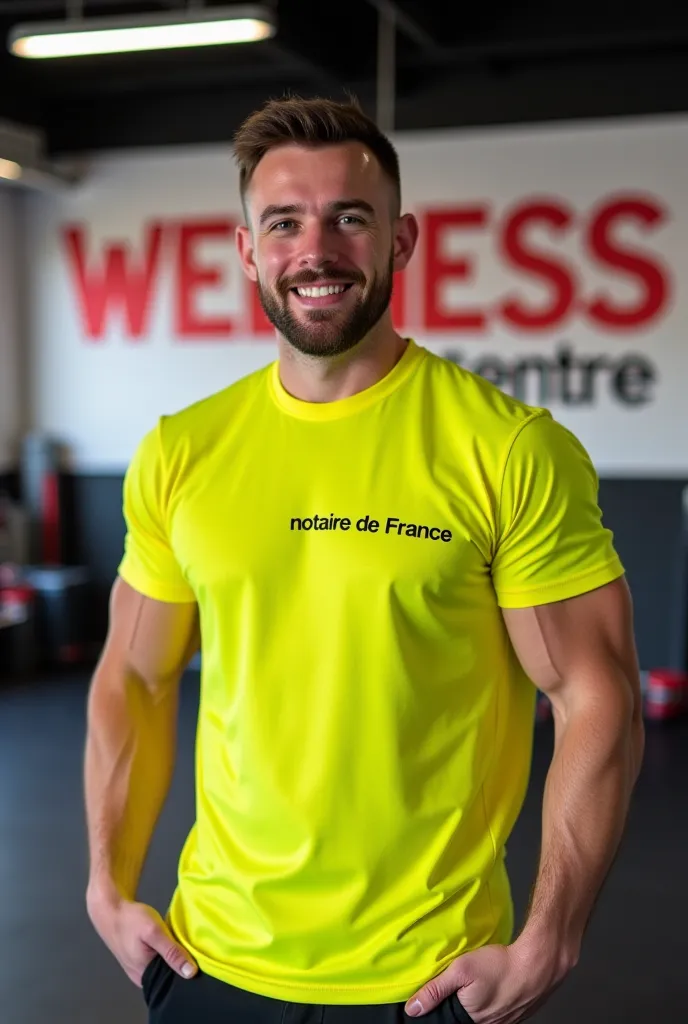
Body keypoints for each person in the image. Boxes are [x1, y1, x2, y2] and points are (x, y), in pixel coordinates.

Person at [84, 96, 645, 1024]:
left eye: (350, 216)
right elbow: (134, 676)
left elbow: (598, 694)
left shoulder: (506, 450)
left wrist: (551, 935)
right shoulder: (183, 452)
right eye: (285, 222)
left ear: (401, 241)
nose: (317, 248)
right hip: (208, 967)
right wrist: (107, 887)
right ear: (248, 250)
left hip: (425, 985)